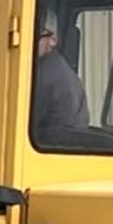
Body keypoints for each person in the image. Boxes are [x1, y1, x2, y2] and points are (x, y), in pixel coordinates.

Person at [33, 10, 89, 139]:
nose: (29, 40)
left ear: (53, 40)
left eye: (36, 35)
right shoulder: (55, 66)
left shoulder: (47, 75)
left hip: (50, 145)